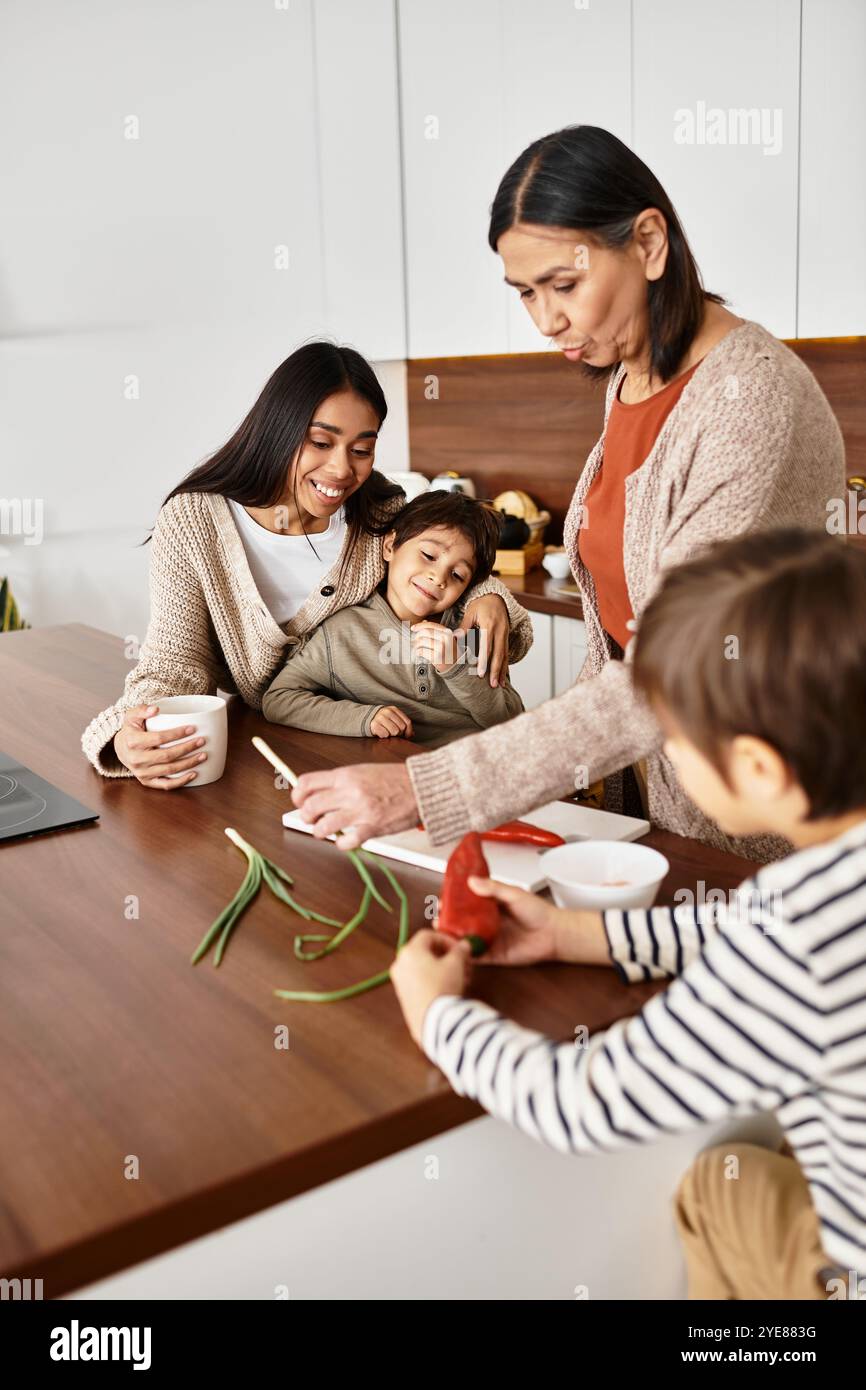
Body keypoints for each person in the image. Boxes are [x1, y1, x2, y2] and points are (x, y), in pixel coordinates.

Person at [290, 126, 846, 867]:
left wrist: (432, 790)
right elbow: (616, 642)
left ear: (649, 244)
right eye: (525, 292)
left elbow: (677, 671)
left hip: (751, 831)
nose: (546, 320)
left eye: (564, 284)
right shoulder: (631, 381)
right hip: (650, 806)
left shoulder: (749, 400)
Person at [390, 529, 866, 1300]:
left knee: (718, 1187)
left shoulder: (796, 943)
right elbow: (765, 921)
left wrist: (438, 1017)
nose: (666, 755)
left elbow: (584, 1104)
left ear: (757, 768)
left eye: (674, 738)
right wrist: (583, 932)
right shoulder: (815, 905)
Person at [80, 342, 531, 787]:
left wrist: (488, 594)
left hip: (362, 754)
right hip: (269, 746)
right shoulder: (195, 521)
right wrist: (125, 734)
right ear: (279, 428)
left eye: (361, 449)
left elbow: (441, 551)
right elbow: (176, 661)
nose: (340, 470)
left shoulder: (377, 513)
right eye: (320, 442)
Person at [262, 491, 526, 746]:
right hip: (391, 772)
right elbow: (278, 700)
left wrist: (457, 667)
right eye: (428, 556)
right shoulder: (343, 632)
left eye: (457, 575)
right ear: (390, 546)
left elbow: (511, 721)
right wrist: (364, 719)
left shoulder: (470, 629)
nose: (438, 577)